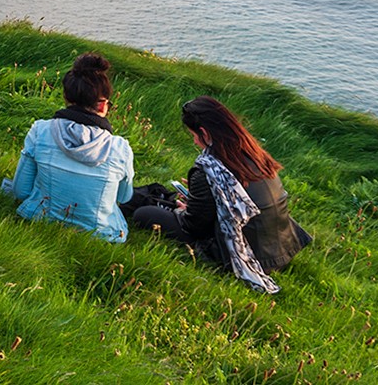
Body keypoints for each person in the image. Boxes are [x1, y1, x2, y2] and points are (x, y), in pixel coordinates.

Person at [131, 95, 311, 293]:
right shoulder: (255, 155)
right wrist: (202, 197)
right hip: (282, 249)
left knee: (145, 213)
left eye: (193, 135)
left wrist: (187, 208)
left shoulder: (209, 169)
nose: (194, 141)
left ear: (205, 134)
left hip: (247, 253)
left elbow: (195, 226)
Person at [2, 54, 136, 241]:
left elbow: (20, 191)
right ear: (104, 104)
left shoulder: (40, 130)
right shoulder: (120, 147)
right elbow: (123, 197)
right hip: (102, 234)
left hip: (40, 219)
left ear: (66, 96)